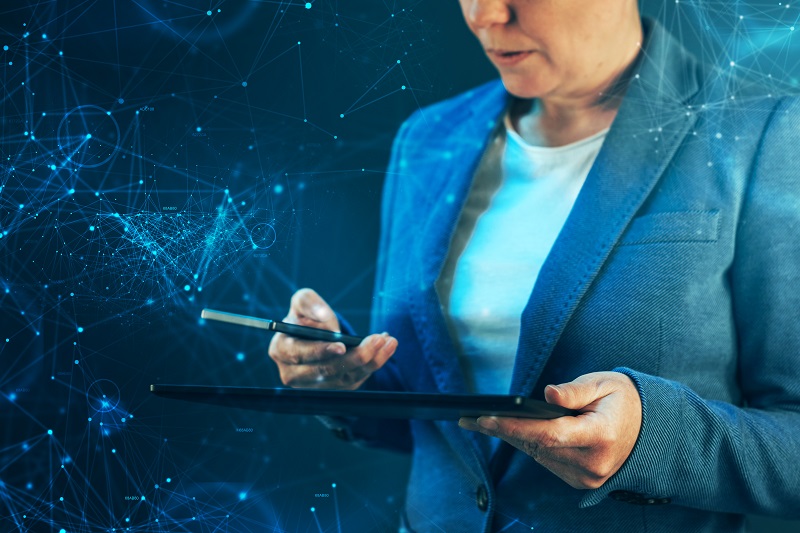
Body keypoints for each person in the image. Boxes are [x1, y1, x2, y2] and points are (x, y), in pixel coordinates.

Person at [269, 0, 800, 531]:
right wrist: (341, 379)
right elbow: (431, 423)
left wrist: (652, 439)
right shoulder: (429, 138)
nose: (484, 15)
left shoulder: (764, 133)